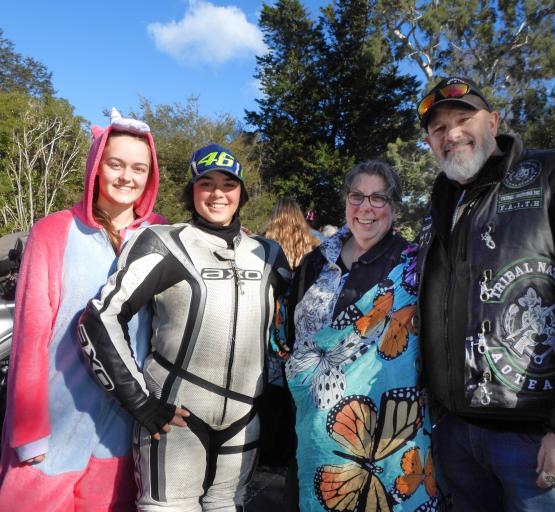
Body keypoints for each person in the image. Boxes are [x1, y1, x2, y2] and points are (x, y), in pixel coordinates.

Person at [415, 76, 555, 511]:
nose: (451, 133)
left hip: (539, 441)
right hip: (455, 437)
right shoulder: (438, 208)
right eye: (438, 129)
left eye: (463, 119)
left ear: (493, 122)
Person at [78, 143, 291, 511]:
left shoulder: (269, 254)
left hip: (244, 418)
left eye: (228, 184)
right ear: (191, 190)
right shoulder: (163, 243)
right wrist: (141, 403)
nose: (218, 193)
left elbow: (295, 325)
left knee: (229, 504)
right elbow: (100, 319)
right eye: (206, 183)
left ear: (241, 192)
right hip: (174, 417)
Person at [0, 109, 165, 511]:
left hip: (120, 435)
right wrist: (28, 430)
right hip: (53, 427)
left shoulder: (161, 236)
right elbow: (30, 337)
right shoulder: (53, 232)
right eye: (116, 164)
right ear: (96, 166)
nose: (127, 177)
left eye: (139, 168)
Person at [285, 160, 439, 511]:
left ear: (395, 208)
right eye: (357, 196)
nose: (366, 207)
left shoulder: (412, 268)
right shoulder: (316, 262)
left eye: (378, 198)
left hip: (387, 426)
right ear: (345, 202)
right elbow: (294, 337)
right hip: (314, 422)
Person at [265, 197, 320, 269]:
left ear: (275, 216)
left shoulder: (266, 240)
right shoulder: (311, 241)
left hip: (273, 277)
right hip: (300, 278)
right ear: (298, 216)